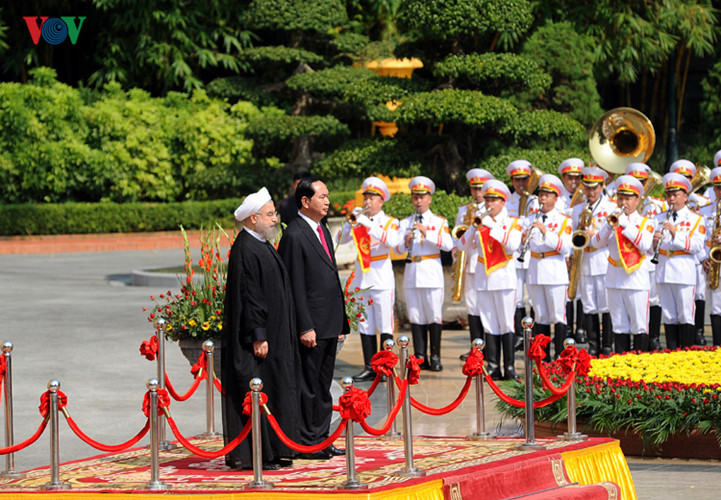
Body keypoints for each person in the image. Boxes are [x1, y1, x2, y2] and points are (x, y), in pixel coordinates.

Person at [221, 187, 301, 471]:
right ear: (253, 219)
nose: (274, 219)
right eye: (269, 215)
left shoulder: (262, 243)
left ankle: (278, 449)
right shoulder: (245, 247)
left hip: (276, 335)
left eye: (274, 214)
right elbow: (249, 295)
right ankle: (261, 455)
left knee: (277, 389)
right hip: (260, 340)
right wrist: (258, 335)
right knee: (261, 391)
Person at [277, 176, 349, 459]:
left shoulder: (322, 230)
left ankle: (322, 438)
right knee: (308, 386)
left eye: (328, 196)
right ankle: (306, 442)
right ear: (305, 201)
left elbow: (330, 277)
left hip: (329, 322)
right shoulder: (294, 235)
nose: (328, 201)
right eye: (322, 196)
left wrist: (340, 320)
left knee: (322, 386)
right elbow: (294, 286)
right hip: (311, 328)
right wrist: (304, 326)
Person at [456, 179, 521, 379]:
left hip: (504, 279)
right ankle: (493, 366)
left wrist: (490, 225)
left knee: (506, 323)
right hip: (483, 279)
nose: (489, 204)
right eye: (487, 200)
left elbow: (511, 245)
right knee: (489, 324)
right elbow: (461, 246)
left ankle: (509, 367)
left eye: (494, 200)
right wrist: (474, 228)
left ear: (503, 202)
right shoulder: (480, 222)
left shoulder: (512, 222)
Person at [338, 177, 400, 381]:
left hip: (381, 277)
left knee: (384, 324)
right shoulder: (359, 220)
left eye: (372, 198)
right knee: (365, 324)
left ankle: (386, 367)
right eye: (366, 197)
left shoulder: (390, 221)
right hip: (362, 278)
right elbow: (341, 239)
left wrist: (367, 224)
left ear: (381, 201)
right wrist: (349, 225)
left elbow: (391, 241)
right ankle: (370, 366)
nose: (367, 202)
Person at [395, 176, 453, 371]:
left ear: (429, 198)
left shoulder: (438, 221)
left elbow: (448, 244)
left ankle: (435, 356)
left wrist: (427, 233)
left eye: (422, 197)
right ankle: (419, 357)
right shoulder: (405, 222)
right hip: (412, 273)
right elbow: (395, 249)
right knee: (415, 316)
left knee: (433, 315)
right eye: (415, 197)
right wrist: (404, 242)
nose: (418, 201)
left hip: (431, 273)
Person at [592, 176, 654, 353]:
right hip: (614, 278)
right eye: (620, 198)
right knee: (619, 325)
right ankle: (621, 366)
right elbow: (595, 243)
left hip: (636, 279)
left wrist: (625, 224)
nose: (623, 202)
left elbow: (645, 245)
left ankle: (639, 365)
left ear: (637, 199)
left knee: (639, 325)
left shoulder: (645, 222)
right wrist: (608, 227)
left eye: (628, 198)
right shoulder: (611, 220)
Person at [652, 173, 706, 349]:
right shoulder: (658, 218)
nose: (672, 199)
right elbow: (652, 247)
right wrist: (654, 242)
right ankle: (672, 353)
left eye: (676, 195)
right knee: (668, 315)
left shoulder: (696, 219)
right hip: (664, 271)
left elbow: (697, 246)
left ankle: (686, 354)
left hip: (683, 271)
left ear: (685, 196)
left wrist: (676, 234)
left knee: (685, 314)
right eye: (668, 195)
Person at [572, 166, 617, 356]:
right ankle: (593, 345)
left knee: (606, 304)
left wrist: (594, 234)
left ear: (602, 186)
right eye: (587, 188)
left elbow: (614, 235)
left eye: (594, 188)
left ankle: (607, 344)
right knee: (588, 304)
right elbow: (572, 233)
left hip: (602, 258)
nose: (590, 192)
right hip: (584, 260)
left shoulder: (611, 207)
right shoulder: (577, 208)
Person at [452, 168, 494, 360]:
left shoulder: (492, 210)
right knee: (472, 306)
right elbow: (458, 234)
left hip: (486, 262)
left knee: (486, 305)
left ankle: (489, 347)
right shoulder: (464, 210)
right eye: (474, 189)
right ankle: (475, 347)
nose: (477, 193)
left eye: (480, 189)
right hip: (469, 262)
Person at [669, 159, 709, 346]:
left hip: (689, 263)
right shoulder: (664, 211)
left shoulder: (700, 204)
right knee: (670, 314)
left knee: (691, 305)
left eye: (686, 178)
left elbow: (697, 241)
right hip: (667, 267)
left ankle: (696, 336)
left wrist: (702, 259)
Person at [626, 163, 664, 350]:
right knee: (635, 304)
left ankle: (654, 337)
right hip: (632, 260)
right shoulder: (623, 206)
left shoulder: (656, 205)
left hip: (650, 257)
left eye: (642, 181)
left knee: (654, 299)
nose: (640, 184)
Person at [505, 160, 539, 351]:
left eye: (525, 180)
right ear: (512, 181)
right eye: (517, 180)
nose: (521, 184)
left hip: (532, 254)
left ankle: (533, 336)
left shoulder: (536, 201)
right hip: (515, 254)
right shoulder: (506, 201)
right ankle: (519, 335)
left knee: (533, 297)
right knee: (517, 297)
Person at [557, 158, 586, 344]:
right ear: (563, 178)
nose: (574, 181)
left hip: (582, 247)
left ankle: (581, 328)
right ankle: (567, 328)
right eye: (570, 177)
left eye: (577, 177)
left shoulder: (585, 197)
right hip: (565, 247)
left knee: (582, 289)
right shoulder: (558, 200)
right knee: (566, 289)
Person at [700, 166, 721, 347]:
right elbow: (699, 239)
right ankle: (717, 346)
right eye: (718, 187)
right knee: (715, 306)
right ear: (714, 189)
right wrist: (703, 258)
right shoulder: (705, 211)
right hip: (714, 262)